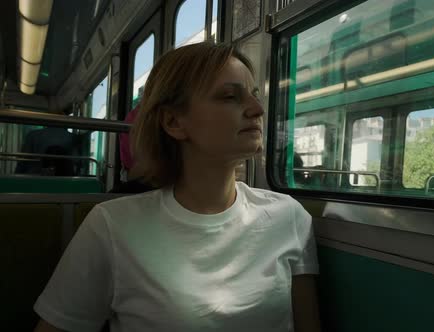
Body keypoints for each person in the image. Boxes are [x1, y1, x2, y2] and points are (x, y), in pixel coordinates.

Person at [33, 42, 322, 332]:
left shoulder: (289, 217)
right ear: (173, 122)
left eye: (255, 96)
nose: (258, 109)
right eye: (230, 96)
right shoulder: (112, 226)